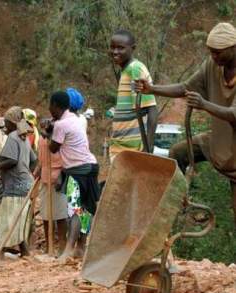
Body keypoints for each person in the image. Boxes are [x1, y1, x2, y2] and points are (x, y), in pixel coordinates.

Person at [135, 22, 236, 225]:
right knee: (178, 153)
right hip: (218, 141)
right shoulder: (212, 65)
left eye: (218, 53)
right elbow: (185, 87)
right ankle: (183, 208)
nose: (213, 57)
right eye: (211, 52)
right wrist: (152, 89)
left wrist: (204, 104)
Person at [47, 91, 100, 259]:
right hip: (90, 166)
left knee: (76, 210)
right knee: (86, 210)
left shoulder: (61, 125)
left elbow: (53, 148)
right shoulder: (77, 119)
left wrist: (47, 132)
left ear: (55, 105)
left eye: (50, 106)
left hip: (77, 170)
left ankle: (69, 249)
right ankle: (81, 247)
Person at [0, 106, 36, 257]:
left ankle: (0, 252)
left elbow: (12, 160)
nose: (5, 126)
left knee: (7, 218)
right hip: (25, 183)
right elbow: (34, 160)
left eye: (7, 123)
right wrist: (25, 172)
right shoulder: (24, 138)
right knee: (18, 219)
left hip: (15, 186)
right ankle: (24, 250)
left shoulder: (13, 137)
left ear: (13, 123)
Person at [109, 29, 158, 159]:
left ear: (133, 48)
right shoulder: (125, 71)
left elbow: (152, 109)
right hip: (122, 145)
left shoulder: (135, 69)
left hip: (133, 149)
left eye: (120, 48)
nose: (115, 52)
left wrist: (148, 148)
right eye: (112, 47)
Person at [33, 118, 68, 254]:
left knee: (60, 214)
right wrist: (38, 169)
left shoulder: (60, 136)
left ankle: (62, 247)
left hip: (58, 178)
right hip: (45, 177)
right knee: (46, 214)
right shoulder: (42, 138)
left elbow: (66, 157)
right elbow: (41, 157)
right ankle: (49, 247)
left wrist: (61, 175)